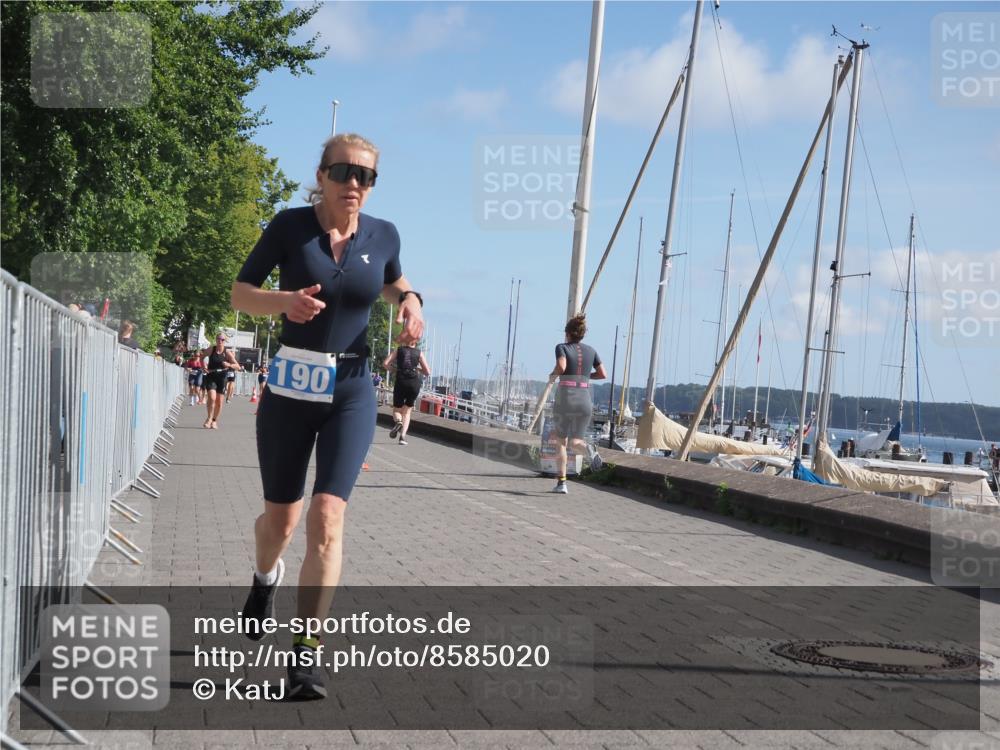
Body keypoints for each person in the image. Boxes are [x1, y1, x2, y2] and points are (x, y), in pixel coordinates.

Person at [230, 132, 424, 699]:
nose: (356, 186)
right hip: (291, 385)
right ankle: (265, 578)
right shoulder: (289, 226)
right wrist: (281, 304)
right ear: (321, 175)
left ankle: (306, 654)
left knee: (327, 517)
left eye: (367, 177)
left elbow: (394, 282)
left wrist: (413, 303)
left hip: (353, 387)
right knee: (281, 524)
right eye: (345, 173)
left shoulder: (383, 234)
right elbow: (242, 293)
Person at [546, 313, 607, 494]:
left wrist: (552, 376)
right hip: (584, 400)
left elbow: (562, 367)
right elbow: (603, 374)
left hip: (566, 399)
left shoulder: (561, 347)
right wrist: (587, 376)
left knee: (562, 442)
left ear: (567, 333)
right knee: (576, 441)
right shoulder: (592, 350)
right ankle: (588, 449)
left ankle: (562, 483)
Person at [384, 342, 430, 445]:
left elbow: (385, 364)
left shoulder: (399, 350)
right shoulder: (419, 353)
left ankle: (398, 422)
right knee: (407, 412)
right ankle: (402, 438)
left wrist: (395, 370)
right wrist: (418, 368)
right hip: (414, 383)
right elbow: (427, 372)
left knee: (397, 410)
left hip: (401, 381)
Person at [200, 333, 239, 428]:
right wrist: (203, 366)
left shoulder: (227, 352)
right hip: (211, 375)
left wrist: (229, 365)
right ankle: (209, 418)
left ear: (225, 341)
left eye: (222, 339)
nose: (220, 341)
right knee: (212, 398)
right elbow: (201, 357)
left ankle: (214, 420)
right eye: (218, 339)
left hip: (222, 378)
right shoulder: (211, 349)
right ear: (216, 339)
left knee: (219, 401)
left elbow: (237, 366)